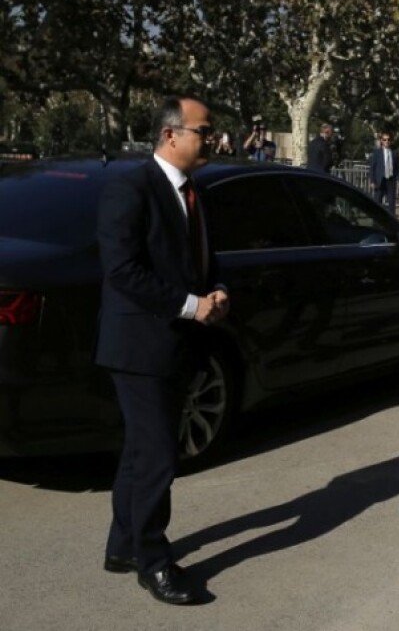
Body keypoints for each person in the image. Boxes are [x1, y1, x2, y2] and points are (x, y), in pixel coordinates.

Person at [95, 96, 229, 605]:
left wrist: (218, 291)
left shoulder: (195, 192)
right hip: (137, 344)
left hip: (176, 343)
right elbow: (123, 270)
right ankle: (154, 560)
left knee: (141, 451)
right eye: (204, 130)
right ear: (171, 135)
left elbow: (204, 260)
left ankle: (124, 544)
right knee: (157, 456)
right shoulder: (129, 187)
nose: (211, 139)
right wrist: (190, 304)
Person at [368, 132, 399, 213]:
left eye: (388, 140)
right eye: (384, 139)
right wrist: (372, 181)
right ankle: (376, 222)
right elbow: (372, 167)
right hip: (380, 180)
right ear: (381, 141)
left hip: (390, 180)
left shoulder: (394, 153)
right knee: (377, 203)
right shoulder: (377, 153)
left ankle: (391, 222)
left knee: (391, 204)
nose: (387, 141)